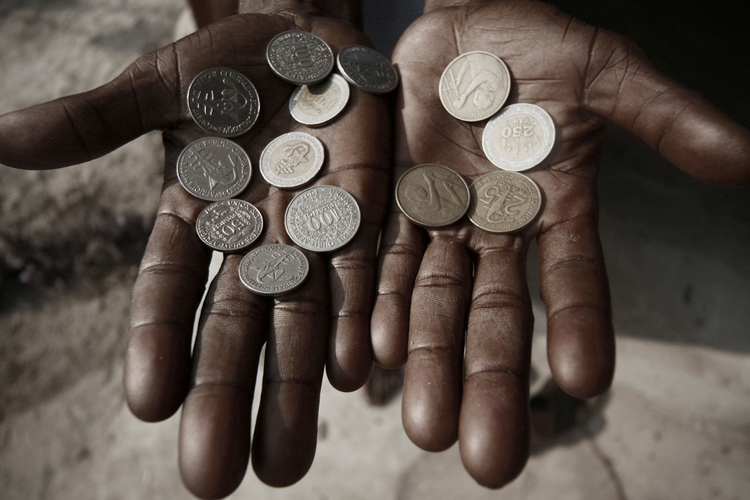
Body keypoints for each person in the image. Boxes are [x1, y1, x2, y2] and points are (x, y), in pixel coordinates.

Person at [0, 0, 748, 498]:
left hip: (437, 41)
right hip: (332, 32)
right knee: (410, 278)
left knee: (502, 259)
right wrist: (290, 14)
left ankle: (465, 373)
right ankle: (403, 369)